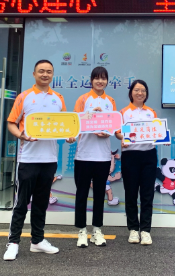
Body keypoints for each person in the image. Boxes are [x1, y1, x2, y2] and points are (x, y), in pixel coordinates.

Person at [3, 60, 65, 261]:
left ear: (52, 75)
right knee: (22, 202)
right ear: (34, 74)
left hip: (50, 159)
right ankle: (13, 243)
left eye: (49, 72)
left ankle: (37, 241)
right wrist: (21, 135)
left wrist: (70, 135)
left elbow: (64, 125)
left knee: (41, 202)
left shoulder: (58, 98)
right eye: (41, 71)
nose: (45, 74)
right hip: (28, 158)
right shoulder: (24, 97)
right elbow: (11, 123)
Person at [67, 66, 117, 248]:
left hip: (103, 156)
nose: (100, 81)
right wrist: (89, 116)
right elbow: (75, 122)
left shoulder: (110, 101)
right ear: (91, 80)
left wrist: (108, 132)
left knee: (99, 194)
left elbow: (114, 125)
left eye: (103, 78)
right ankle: (81, 230)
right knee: (81, 194)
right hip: (84, 155)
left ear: (107, 81)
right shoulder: (83, 99)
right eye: (97, 78)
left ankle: (97, 230)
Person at [115, 79, 159, 246]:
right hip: (130, 155)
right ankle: (133, 229)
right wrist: (123, 138)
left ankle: (145, 230)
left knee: (147, 194)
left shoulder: (151, 112)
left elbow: (157, 132)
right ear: (131, 93)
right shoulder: (124, 112)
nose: (140, 93)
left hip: (149, 155)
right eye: (137, 90)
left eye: (143, 90)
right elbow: (119, 132)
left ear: (146, 94)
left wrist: (163, 138)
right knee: (131, 193)